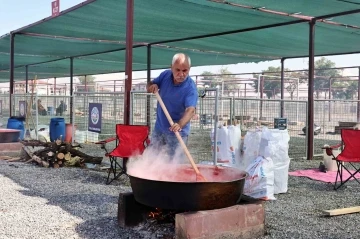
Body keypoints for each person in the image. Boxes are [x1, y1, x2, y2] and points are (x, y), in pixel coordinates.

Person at [147, 53, 198, 157]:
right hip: (159, 128)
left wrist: (179, 124)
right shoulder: (165, 75)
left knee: (175, 164)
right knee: (151, 157)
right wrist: (152, 86)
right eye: (177, 70)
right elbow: (150, 84)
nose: (181, 74)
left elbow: (190, 110)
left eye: (185, 71)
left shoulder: (190, 89)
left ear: (189, 69)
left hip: (178, 133)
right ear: (171, 67)